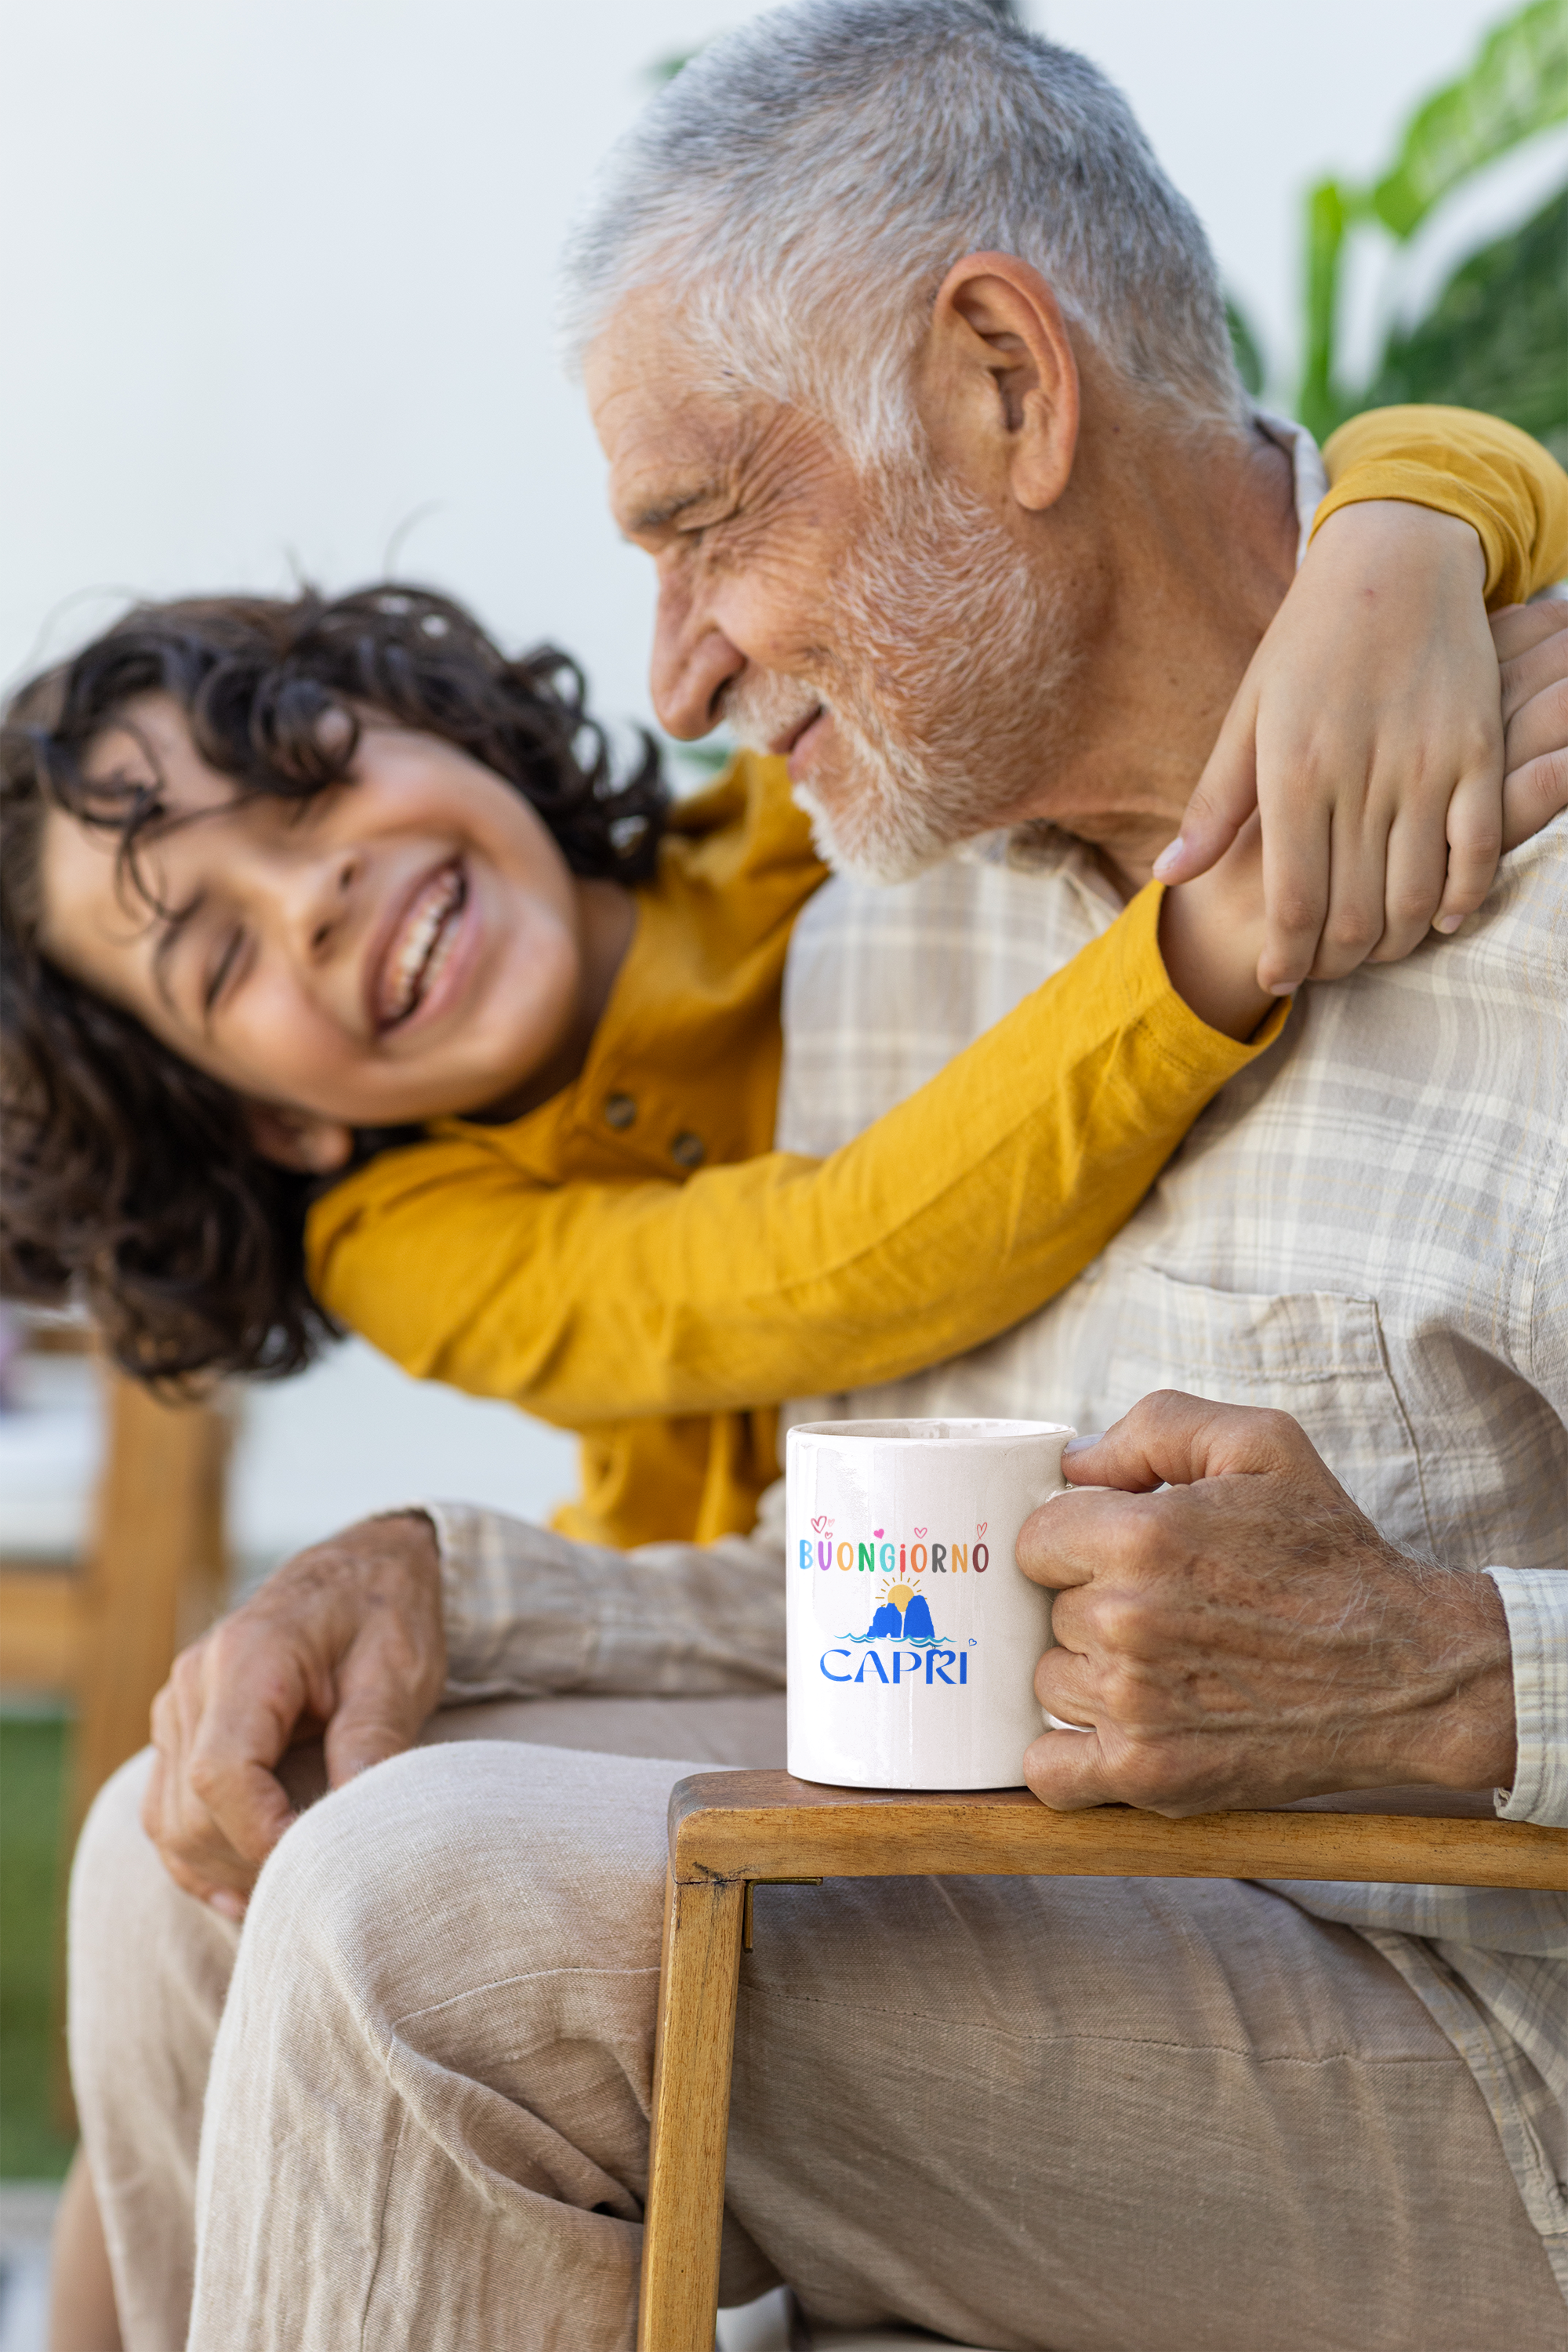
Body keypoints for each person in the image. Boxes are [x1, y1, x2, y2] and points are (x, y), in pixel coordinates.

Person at [57, 5, 1568, 2347]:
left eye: (707, 524)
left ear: (1003, 382)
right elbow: (911, 1586)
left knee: (429, 1912)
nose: (669, 677)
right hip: (1066, 1906)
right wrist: (451, 1591)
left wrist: (1455, 1681)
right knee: (202, 1850)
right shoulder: (890, 914)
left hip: (1501, 2057)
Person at [8, 405, 1568, 1554]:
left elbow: (1280, 486)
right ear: (262, 1122)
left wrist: (1396, 546)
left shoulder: (796, 815)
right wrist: (1211, 932)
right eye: (221, 960)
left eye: (302, 787)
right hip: (755, 1620)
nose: (316, 895)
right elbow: (833, 1263)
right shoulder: (403, 1247)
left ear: (434, 727)